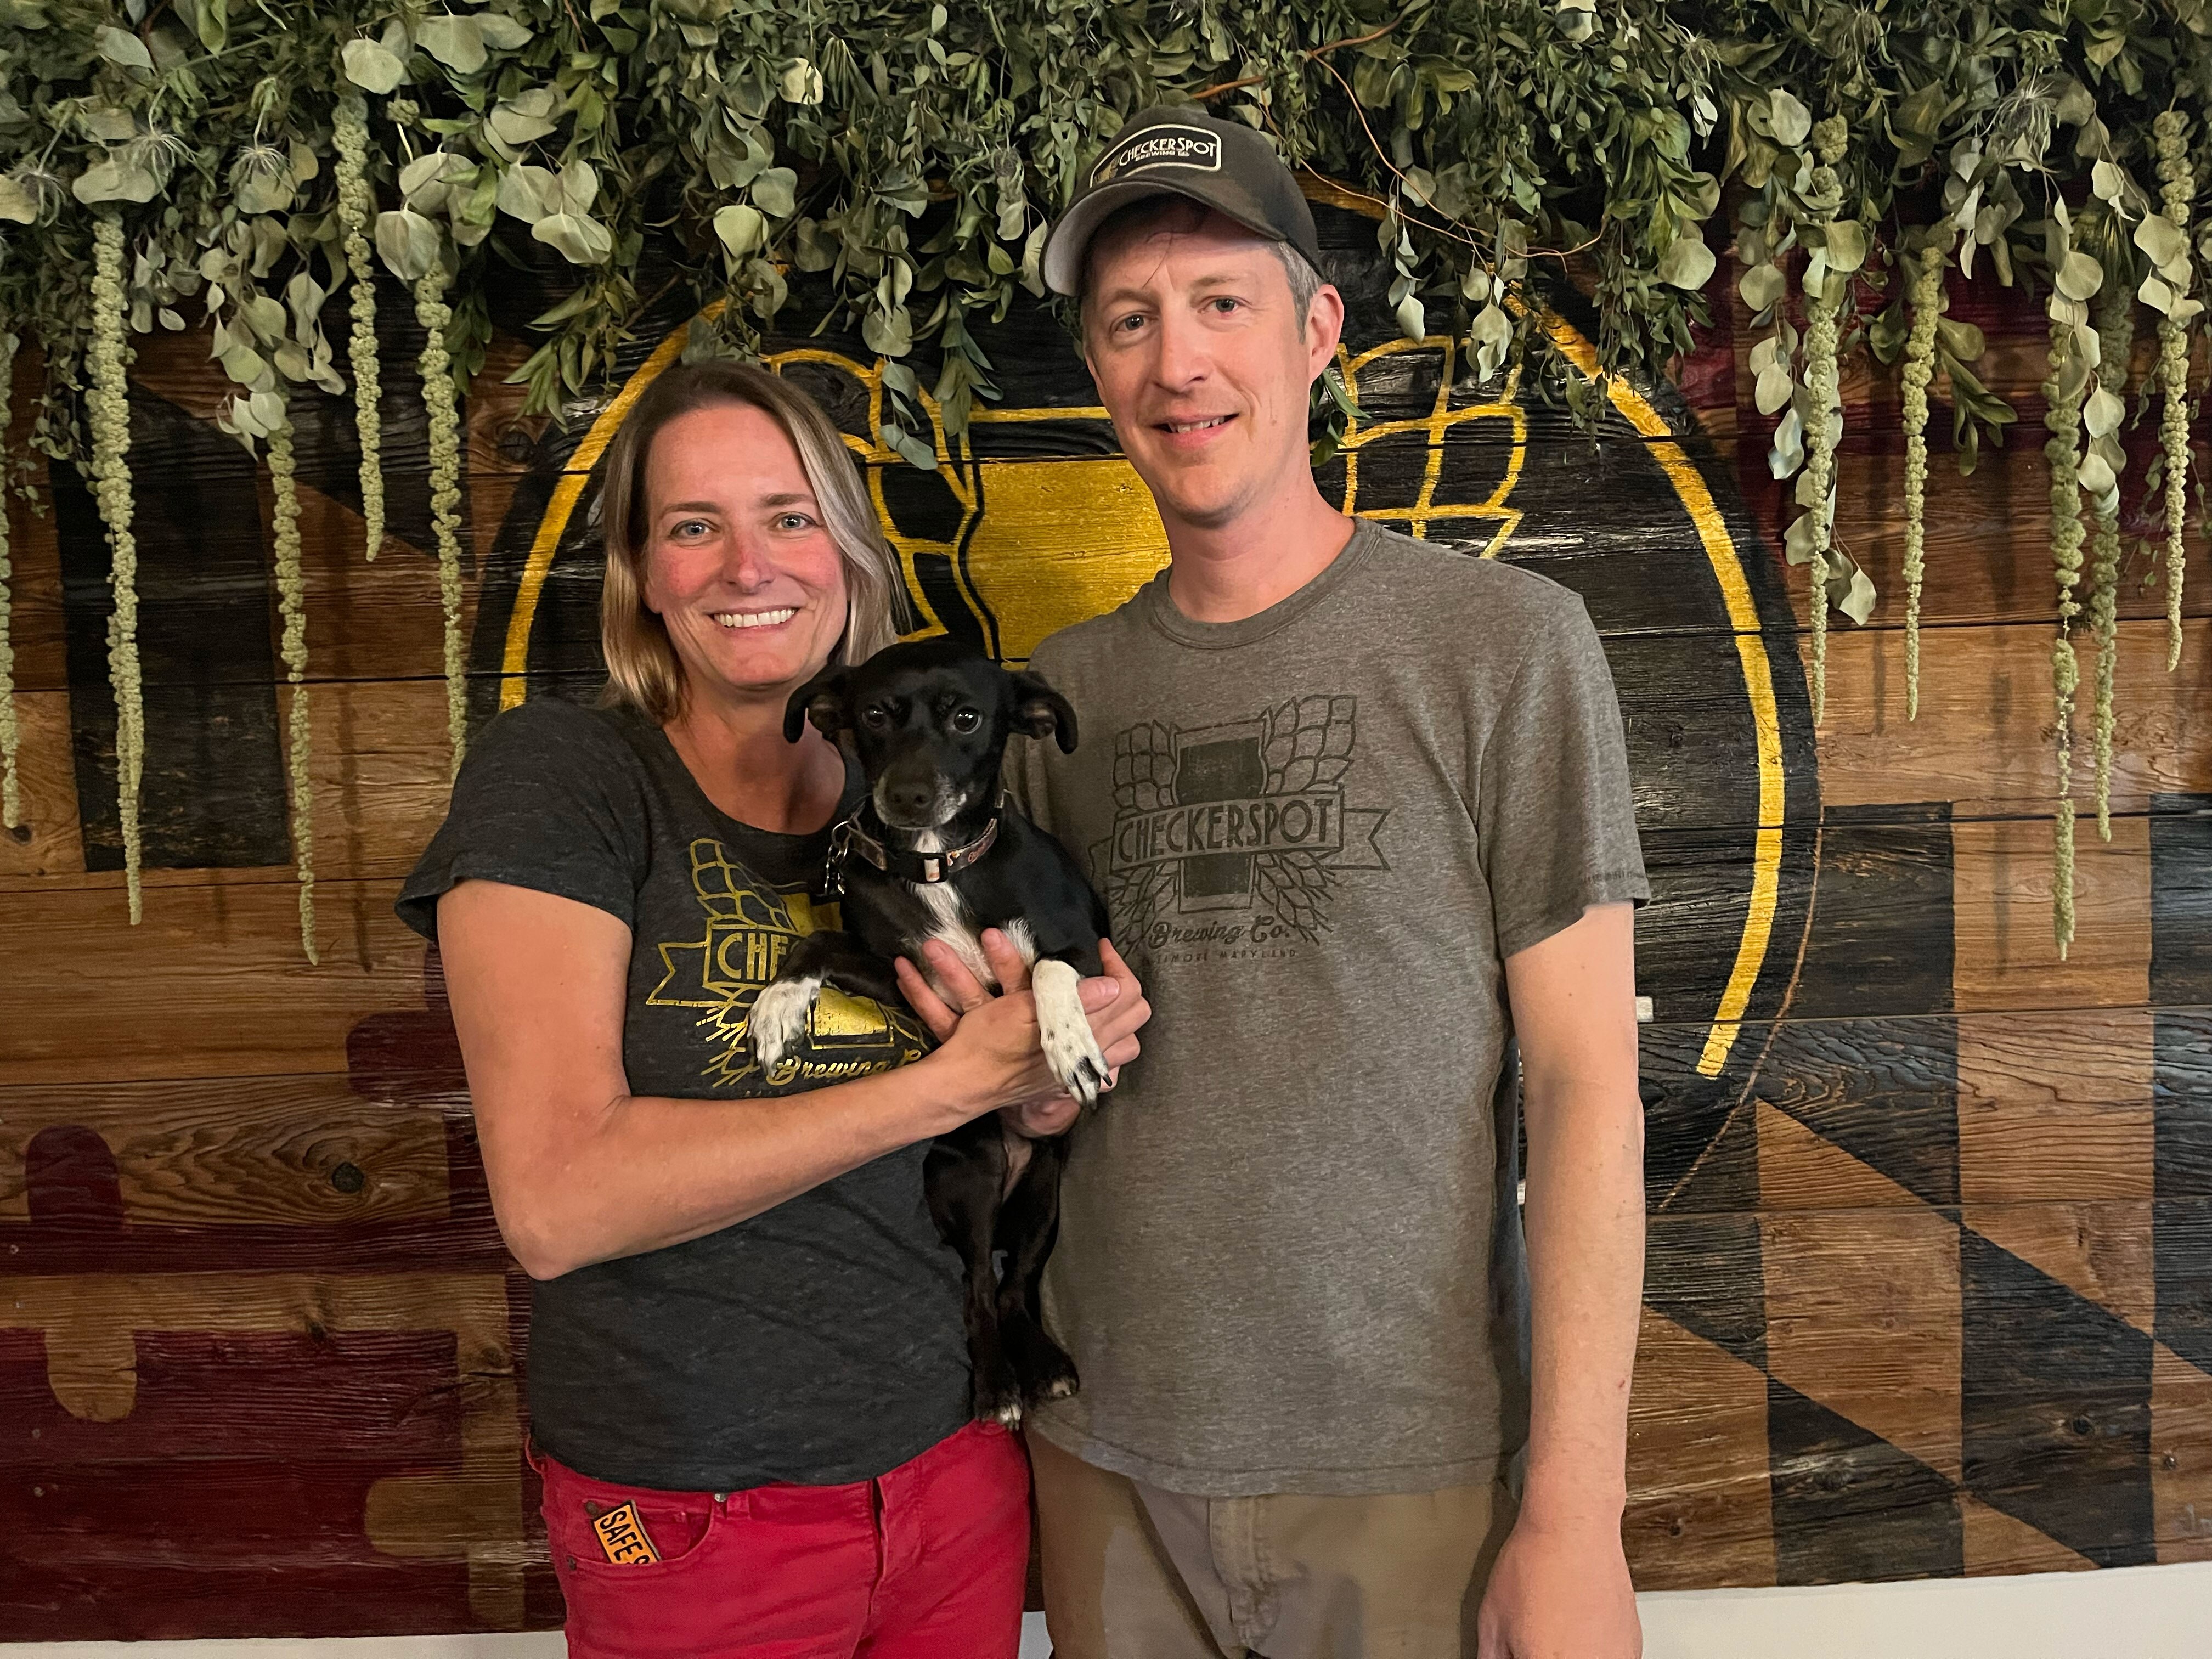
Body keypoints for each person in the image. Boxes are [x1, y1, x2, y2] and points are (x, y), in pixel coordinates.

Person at [905, 106, 1650, 1659]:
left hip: (1416, 1468)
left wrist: (1577, 1519)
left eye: (1220, 304)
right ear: (1101, 373)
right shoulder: (1056, 700)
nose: (1178, 362)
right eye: (1130, 321)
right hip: (1107, 1456)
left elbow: (1587, 1089)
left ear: (1318, 332)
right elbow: (1025, 1098)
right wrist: (1030, 1097)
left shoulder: (1503, 648)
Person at [393, 360, 1150, 1659]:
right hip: (692, 1510)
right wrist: (952, 1081)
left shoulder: (927, 829)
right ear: (641, 571)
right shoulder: (565, 778)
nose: (750, 565)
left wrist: (1034, 1097)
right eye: (695, 527)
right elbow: (558, 1205)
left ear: (851, 554)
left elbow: (997, 1131)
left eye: (790, 517)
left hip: (957, 1468)